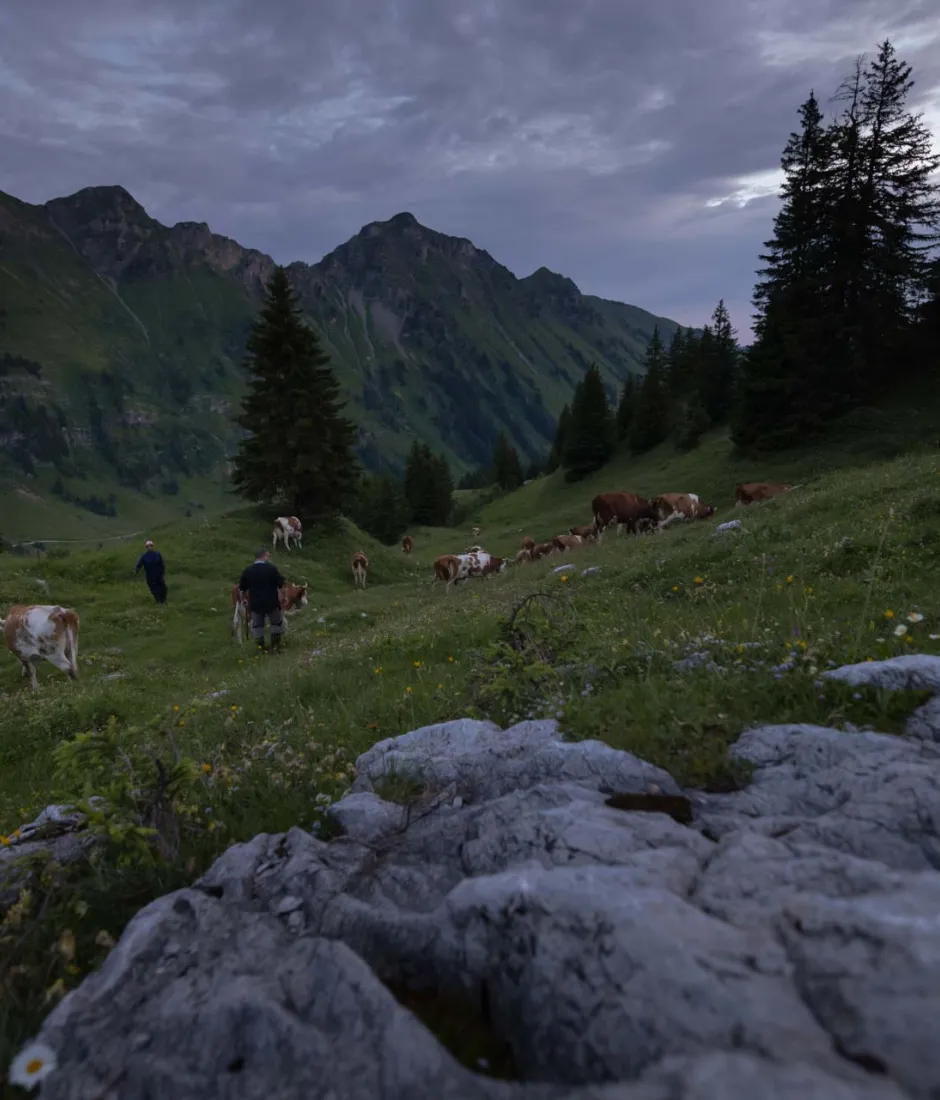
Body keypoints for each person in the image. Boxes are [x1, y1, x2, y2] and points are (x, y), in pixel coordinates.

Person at [238, 547, 286, 652]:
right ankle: (275, 647)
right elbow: (281, 585)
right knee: (276, 623)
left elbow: (241, 589)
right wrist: (284, 595)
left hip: (256, 603)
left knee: (258, 626)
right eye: (268, 555)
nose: (268, 557)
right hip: (271, 602)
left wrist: (244, 600)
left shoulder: (248, 571)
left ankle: (261, 649)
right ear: (264, 556)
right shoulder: (272, 569)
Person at [135, 539, 168, 604]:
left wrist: (163, 573)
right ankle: (158, 601)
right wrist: (137, 570)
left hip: (159, 575)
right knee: (154, 589)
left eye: (150, 546)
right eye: (148, 546)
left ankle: (163, 600)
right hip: (150, 576)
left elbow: (162, 564)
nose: (149, 547)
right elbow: (139, 564)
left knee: (163, 588)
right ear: (146, 548)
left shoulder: (157, 554)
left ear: (153, 546)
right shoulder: (144, 556)